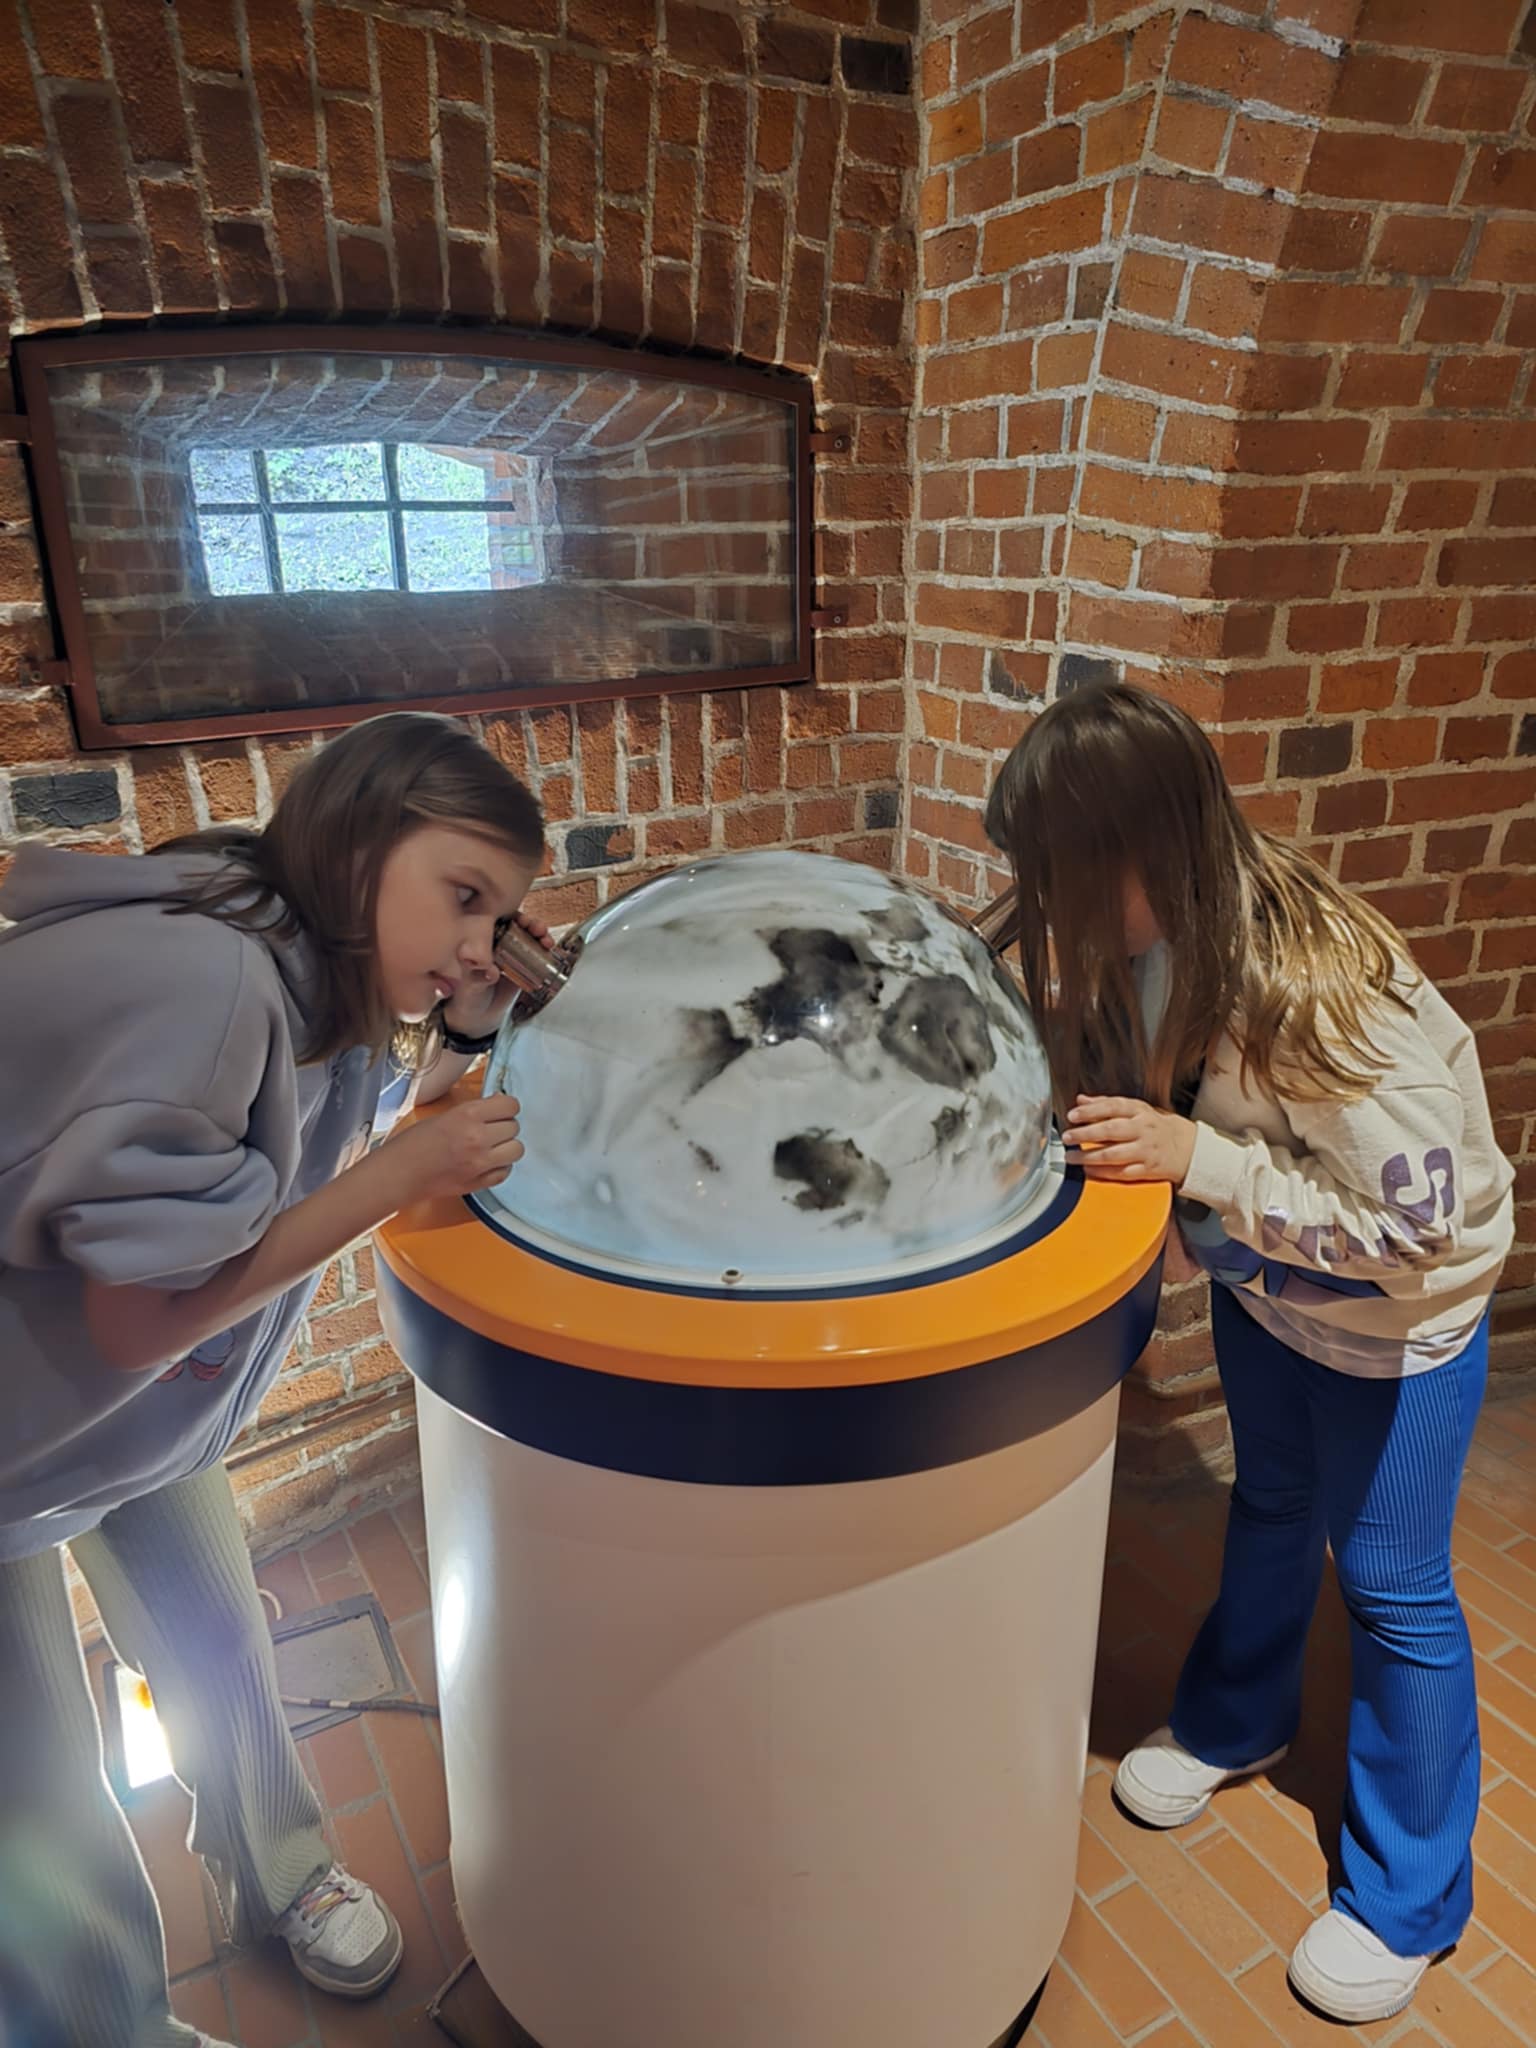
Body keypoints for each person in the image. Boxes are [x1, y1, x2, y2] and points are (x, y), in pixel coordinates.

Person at [0, 711, 546, 2047]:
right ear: (363, 840)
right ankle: (106, 2029)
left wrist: (463, 1026)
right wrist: (399, 1182)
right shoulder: (211, 984)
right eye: (464, 896)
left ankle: (277, 1874)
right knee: (33, 1780)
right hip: (38, 1413)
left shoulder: (310, 958)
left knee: (217, 1637)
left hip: (141, 1413)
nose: (482, 940)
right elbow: (139, 1318)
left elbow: (348, 1138)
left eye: (499, 915)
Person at [983, 680, 1514, 2027]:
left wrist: (1201, 1163)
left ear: (1139, 854)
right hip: (1272, 1295)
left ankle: (1409, 1896)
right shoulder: (1163, 935)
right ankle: (1236, 1716)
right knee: (1271, 1502)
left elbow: (1415, 1223)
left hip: (1396, 1326)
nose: (1052, 908)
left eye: (1063, 876)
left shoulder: (1325, 993)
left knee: (1391, 1587)